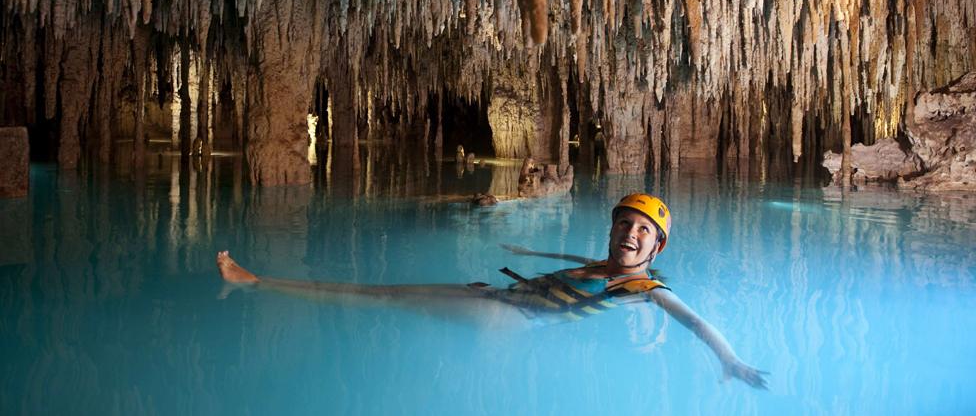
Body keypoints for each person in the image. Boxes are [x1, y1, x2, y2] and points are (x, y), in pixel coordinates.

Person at [217, 193, 768, 388]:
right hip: (499, 297)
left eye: (643, 230)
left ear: (657, 248)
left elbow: (691, 320)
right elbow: (572, 261)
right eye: (625, 224)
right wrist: (530, 259)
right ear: (612, 230)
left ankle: (259, 282)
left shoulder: (644, 289)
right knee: (383, 291)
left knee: (381, 296)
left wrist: (732, 359)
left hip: (509, 319)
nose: (631, 234)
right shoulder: (602, 262)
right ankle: (260, 282)